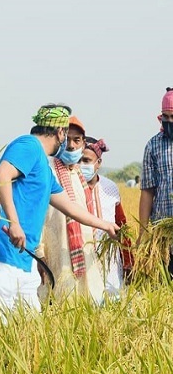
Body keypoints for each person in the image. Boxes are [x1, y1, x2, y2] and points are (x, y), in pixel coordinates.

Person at [0, 104, 118, 324]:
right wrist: (14, 223)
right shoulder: (28, 145)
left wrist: (105, 225)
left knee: (30, 329)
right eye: (66, 134)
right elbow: (1, 175)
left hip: (20, 255)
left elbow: (69, 207)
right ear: (59, 132)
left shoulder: (44, 170)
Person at [35, 116, 106, 304]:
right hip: (54, 255)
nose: (72, 146)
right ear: (59, 138)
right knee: (59, 306)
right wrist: (39, 254)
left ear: (83, 143)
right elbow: (38, 214)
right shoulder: (46, 169)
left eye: (77, 140)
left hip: (83, 255)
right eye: (67, 139)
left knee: (87, 306)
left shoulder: (79, 176)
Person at [81, 137, 132, 298]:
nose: (82, 165)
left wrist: (128, 260)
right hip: (82, 255)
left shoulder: (110, 188)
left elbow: (121, 224)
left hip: (109, 257)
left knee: (112, 299)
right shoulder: (69, 187)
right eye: (79, 160)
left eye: (87, 160)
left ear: (99, 163)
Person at [140, 88, 173, 273]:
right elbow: (147, 191)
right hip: (163, 233)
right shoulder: (153, 145)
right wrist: (143, 233)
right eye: (166, 117)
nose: (170, 122)